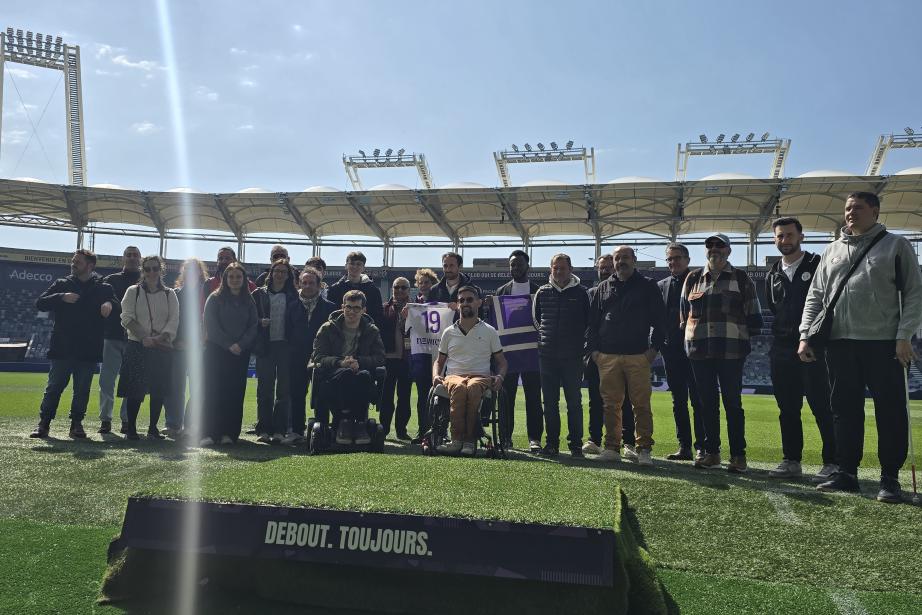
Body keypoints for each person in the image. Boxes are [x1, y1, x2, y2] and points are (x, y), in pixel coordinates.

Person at [799, 192, 922, 502]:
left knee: (890, 411)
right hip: (839, 343)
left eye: (858, 207)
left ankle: (889, 479)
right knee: (844, 410)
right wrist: (805, 335)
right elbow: (816, 295)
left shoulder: (896, 245)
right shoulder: (831, 250)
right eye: (847, 208)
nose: (850, 212)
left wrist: (904, 335)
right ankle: (847, 473)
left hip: (884, 343)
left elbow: (914, 292)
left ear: (875, 211)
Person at [681, 233, 763, 473]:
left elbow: (754, 316)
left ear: (728, 250)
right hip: (700, 350)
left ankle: (738, 455)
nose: (714, 249)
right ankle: (712, 453)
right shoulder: (693, 278)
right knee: (706, 404)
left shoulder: (741, 278)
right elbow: (684, 314)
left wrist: (740, 338)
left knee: (733, 404)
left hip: (731, 351)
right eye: (710, 245)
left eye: (720, 245)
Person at [766, 218, 837, 481]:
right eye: (780, 236)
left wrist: (815, 339)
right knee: (787, 408)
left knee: (822, 406)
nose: (784, 240)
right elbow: (774, 308)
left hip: (814, 347)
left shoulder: (817, 264)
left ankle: (833, 462)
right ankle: (791, 460)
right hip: (782, 348)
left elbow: (828, 304)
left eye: (789, 235)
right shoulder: (773, 273)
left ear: (801, 237)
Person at [586, 246, 666, 466]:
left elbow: (660, 320)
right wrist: (594, 352)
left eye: (625, 257)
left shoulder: (648, 285)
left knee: (641, 405)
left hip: (638, 356)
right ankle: (611, 447)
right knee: (610, 405)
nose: (621, 261)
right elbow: (593, 323)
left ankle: (644, 449)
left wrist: (653, 350)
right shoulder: (603, 287)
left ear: (634, 260)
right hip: (607, 356)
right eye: (617, 258)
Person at [30, 249, 116, 439]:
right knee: (54, 387)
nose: (73, 264)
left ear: (90, 266)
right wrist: (61, 296)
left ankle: (76, 424)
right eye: (73, 261)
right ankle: (44, 423)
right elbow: (40, 303)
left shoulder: (104, 288)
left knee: (82, 390)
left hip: (89, 349)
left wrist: (110, 304)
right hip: (62, 347)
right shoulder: (62, 283)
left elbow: (117, 306)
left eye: (78, 262)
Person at [433, 286, 507, 456]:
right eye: (462, 300)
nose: (465, 303)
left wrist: (500, 377)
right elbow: (439, 361)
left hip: (480, 376)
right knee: (460, 388)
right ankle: (456, 440)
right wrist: (436, 375)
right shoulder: (448, 332)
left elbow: (502, 362)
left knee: (472, 387)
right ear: (457, 304)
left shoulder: (489, 331)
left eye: (469, 299)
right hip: (454, 377)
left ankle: (469, 440)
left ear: (479, 303)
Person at [311, 290, 386, 445]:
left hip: (361, 373)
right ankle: (344, 421)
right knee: (346, 374)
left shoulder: (372, 331)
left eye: (357, 308)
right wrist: (340, 362)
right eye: (349, 307)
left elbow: (380, 358)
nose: (352, 311)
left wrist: (359, 362)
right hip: (333, 375)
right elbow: (318, 356)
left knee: (363, 376)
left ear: (364, 310)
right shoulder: (327, 328)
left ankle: (359, 423)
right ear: (342, 307)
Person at [117, 255, 179, 440]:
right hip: (137, 345)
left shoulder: (170, 293)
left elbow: (174, 320)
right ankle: (131, 429)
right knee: (135, 390)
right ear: (142, 271)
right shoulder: (133, 291)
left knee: (159, 389)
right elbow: (126, 317)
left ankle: (153, 429)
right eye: (147, 269)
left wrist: (160, 337)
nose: (151, 272)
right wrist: (144, 337)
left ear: (161, 270)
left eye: (155, 268)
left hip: (161, 346)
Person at [533, 254, 589, 457]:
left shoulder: (582, 293)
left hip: (572, 356)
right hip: (547, 356)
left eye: (562, 268)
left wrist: (577, 344)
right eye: (555, 268)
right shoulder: (542, 292)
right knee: (549, 403)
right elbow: (537, 321)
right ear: (551, 269)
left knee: (574, 402)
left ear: (570, 269)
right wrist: (545, 340)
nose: (558, 271)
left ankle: (576, 445)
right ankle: (552, 444)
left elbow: (588, 322)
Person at [583, 254, 637, 456]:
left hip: (621, 354)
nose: (605, 270)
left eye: (608, 267)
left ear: (615, 268)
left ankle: (628, 442)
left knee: (625, 400)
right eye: (601, 268)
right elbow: (587, 325)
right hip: (597, 355)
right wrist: (592, 351)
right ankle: (594, 439)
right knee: (595, 399)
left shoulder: (624, 291)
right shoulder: (590, 293)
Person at [201, 262, 258, 446]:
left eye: (238, 277)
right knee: (213, 391)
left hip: (240, 354)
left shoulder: (249, 300)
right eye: (231, 277)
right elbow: (211, 325)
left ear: (244, 279)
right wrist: (228, 344)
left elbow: (253, 326)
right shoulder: (214, 298)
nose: (234, 280)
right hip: (216, 352)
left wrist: (240, 345)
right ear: (225, 278)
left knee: (234, 393)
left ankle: (229, 433)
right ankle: (209, 433)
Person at [656, 243, 704, 461]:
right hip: (671, 351)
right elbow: (657, 319)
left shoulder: (700, 281)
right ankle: (684, 447)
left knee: (698, 400)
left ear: (687, 259)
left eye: (677, 258)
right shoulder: (661, 285)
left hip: (696, 351)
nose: (673, 262)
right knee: (678, 401)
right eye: (669, 259)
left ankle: (702, 447)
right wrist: (659, 345)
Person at [494, 250, 543, 452]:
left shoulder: (539, 291)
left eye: (519, 264)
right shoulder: (501, 292)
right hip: (508, 353)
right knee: (507, 398)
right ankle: (506, 437)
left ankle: (535, 438)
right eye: (512, 265)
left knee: (534, 397)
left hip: (532, 352)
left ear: (527, 266)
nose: (515, 268)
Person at [287, 267, 336, 443]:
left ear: (319, 285)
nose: (307, 286)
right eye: (304, 282)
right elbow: (287, 332)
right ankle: (296, 432)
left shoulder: (330, 308)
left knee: (322, 395)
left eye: (311, 283)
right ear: (300, 283)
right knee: (297, 394)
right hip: (296, 357)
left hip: (320, 358)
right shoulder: (291, 306)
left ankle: (322, 431)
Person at [252, 259, 298, 444]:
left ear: (288, 276)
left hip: (285, 346)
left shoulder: (294, 295)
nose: (279, 274)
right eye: (276, 271)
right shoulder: (259, 294)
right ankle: (263, 429)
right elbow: (249, 318)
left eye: (283, 272)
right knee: (265, 389)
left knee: (284, 391)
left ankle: (279, 430)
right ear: (271, 273)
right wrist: (259, 322)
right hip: (266, 346)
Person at [98, 246, 140, 434]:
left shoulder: (145, 281)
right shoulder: (111, 280)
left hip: (135, 338)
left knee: (130, 381)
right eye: (128, 255)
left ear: (140, 258)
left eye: (135, 255)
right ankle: (105, 420)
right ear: (123, 258)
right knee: (107, 380)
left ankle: (127, 420)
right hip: (112, 336)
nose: (131, 258)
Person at [163, 257, 207, 439]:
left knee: (198, 389)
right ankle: (173, 424)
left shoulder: (207, 293)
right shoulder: (175, 293)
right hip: (178, 346)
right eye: (187, 269)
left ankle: (190, 425)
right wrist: (177, 341)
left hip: (200, 348)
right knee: (175, 387)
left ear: (200, 273)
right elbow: (171, 320)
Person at [408, 268, 439, 444]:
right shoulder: (414, 305)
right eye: (421, 283)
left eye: (427, 282)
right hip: (421, 355)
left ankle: (440, 431)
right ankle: (422, 431)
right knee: (422, 397)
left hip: (437, 355)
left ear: (433, 284)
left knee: (439, 396)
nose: (424, 285)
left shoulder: (441, 303)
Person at [379, 277, 413, 439]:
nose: (399, 290)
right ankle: (383, 429)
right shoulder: (384, 309)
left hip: (407, 359)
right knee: (386, 397)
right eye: (396, 287)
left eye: (403, 287)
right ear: (392, 289)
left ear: (409, 290)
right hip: (389, 358)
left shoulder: (416, 310)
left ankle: (401, 430)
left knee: (404, 397)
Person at [326, 251, 384, 330]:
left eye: (358, 264)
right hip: (339, 332)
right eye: (352, 263)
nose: (355, 267)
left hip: (365, 333)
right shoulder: (334, 289)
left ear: (363, 268)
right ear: (346, 266)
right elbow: (330, 314)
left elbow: (378, 316)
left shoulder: (373, 291)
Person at [430, 252, 484, 318]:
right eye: (445, 266)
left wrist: (460, 309)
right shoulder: (434, 290)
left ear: (460, 267)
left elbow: (480, 316)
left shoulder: (475, 290)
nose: (448, 269)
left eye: (451, 265)